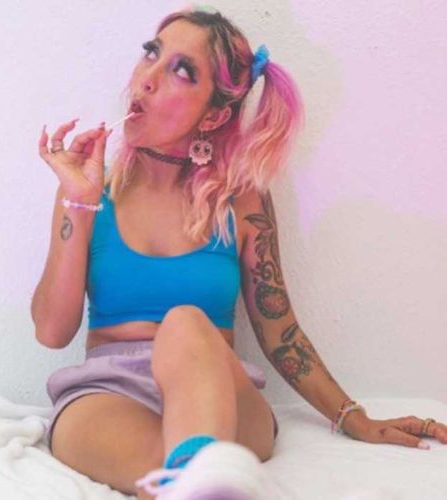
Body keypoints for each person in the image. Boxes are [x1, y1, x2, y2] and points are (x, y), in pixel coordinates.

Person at [32, 6, 447, 500]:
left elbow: (279, 329)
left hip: (218, 391)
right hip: (109, 391)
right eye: (151, 54)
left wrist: (351, 416)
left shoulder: (241, 201)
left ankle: (195, 471)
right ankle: (193, 477)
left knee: (185, 323)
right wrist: (78, 203)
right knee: (179, 478)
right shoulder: (89, 192)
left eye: (180, 71)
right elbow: (52, 331)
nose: (147, 78)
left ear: (214, 115)